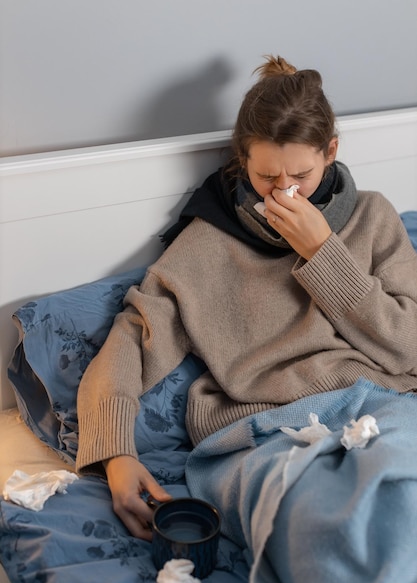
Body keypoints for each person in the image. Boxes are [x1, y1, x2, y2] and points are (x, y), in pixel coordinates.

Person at [76, 55, 417, 548]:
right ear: (242, 160)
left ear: (331, 151)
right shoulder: (207, 242)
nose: (285, 191)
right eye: (266, 177)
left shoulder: (373, 217)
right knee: (338, 532)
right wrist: (116, 453)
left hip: (383, 404)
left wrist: (324, 253)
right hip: (265, 431)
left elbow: (408, 346)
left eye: (301, 174)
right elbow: (132, 341)